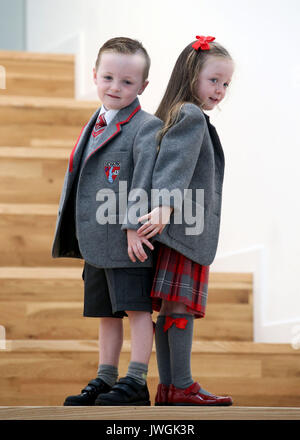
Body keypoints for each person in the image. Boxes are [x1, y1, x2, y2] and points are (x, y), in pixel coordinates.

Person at [52, 37, 162, 406]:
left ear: (143, 86)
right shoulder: (94, 120)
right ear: (94, 75)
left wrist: (133, 222)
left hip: (129, 240)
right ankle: (106, 376)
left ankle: (136, 380)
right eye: (108, 77)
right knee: (105, 312)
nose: (116, 87)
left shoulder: (146, 126)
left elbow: (145, 177)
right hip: (97, 238)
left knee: (136, 309)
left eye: (127, 82)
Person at [137, 35, 235, 406]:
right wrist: (164, 206)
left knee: (173, 308)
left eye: (226, 84)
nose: (221, 90)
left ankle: (169, 386)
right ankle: (180, 385)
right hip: (183, 228)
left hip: (178, 228)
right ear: (191, 74)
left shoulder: (179, 113)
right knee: (180, 307)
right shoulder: (191, 115)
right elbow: (174, 166)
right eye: (214, 80)